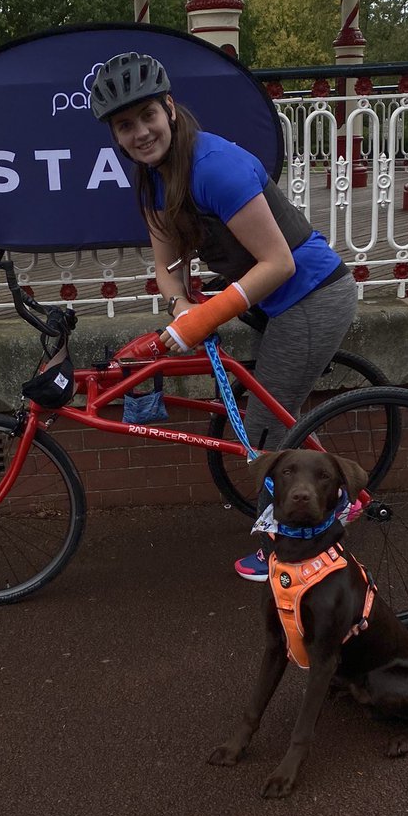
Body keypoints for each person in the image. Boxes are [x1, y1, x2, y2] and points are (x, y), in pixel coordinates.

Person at [89, 51, 357, 582]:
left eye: (147, 116)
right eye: (125, 125)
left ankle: (289, 545)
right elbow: (166, 262)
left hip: (312, 296)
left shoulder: (215, 167)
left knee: (261, 432)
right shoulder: (153, 178)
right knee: (281, 412)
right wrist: (179, 306)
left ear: (169, 107)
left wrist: (203, 319)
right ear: (115, 135)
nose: (140, 132)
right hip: (274, 305)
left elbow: (278, 263)